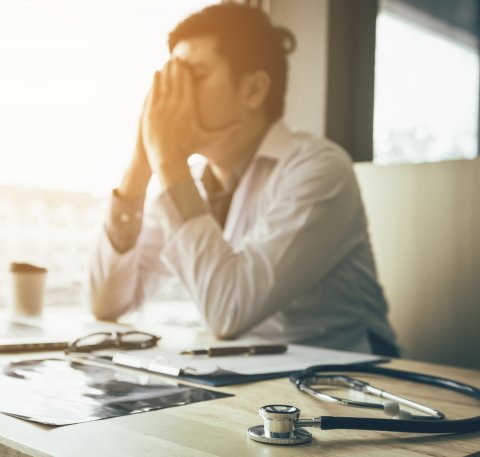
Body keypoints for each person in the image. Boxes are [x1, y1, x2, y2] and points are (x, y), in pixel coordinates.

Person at [89, 3, 399, 356]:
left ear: (254, 90)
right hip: (247, 382)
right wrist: (139, 166)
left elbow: (229, 310)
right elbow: (106, 305)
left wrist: (168, 159)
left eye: (195, 76)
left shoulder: (319, 168)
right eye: (172, 77)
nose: (175, 96)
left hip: (349, 387)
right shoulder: (192, 183)